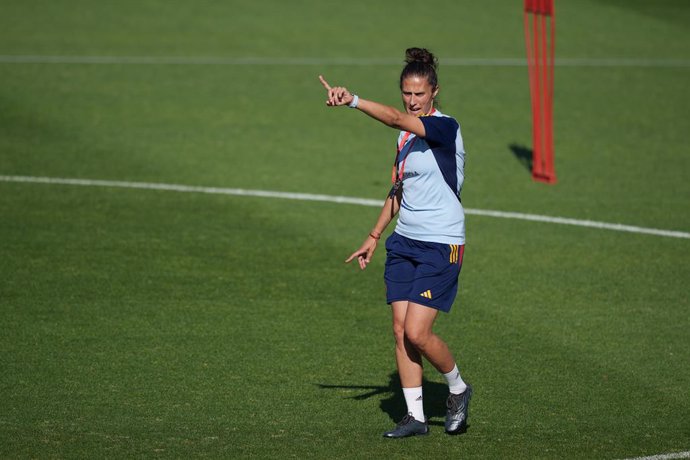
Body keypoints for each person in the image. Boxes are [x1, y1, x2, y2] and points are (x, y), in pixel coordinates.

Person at [318, 47, 472, 438]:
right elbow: (398, 189)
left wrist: (352, 100)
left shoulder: (444, 127)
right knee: (401, 330)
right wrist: (374, 236)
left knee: (419, 333)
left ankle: (457, 388)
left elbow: (393, 117)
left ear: (434, 91)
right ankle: (416, 417)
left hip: (441, 243)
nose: (412, 100)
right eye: (407, 92)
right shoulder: (406, 136)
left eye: (420, 93)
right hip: (404, 242)